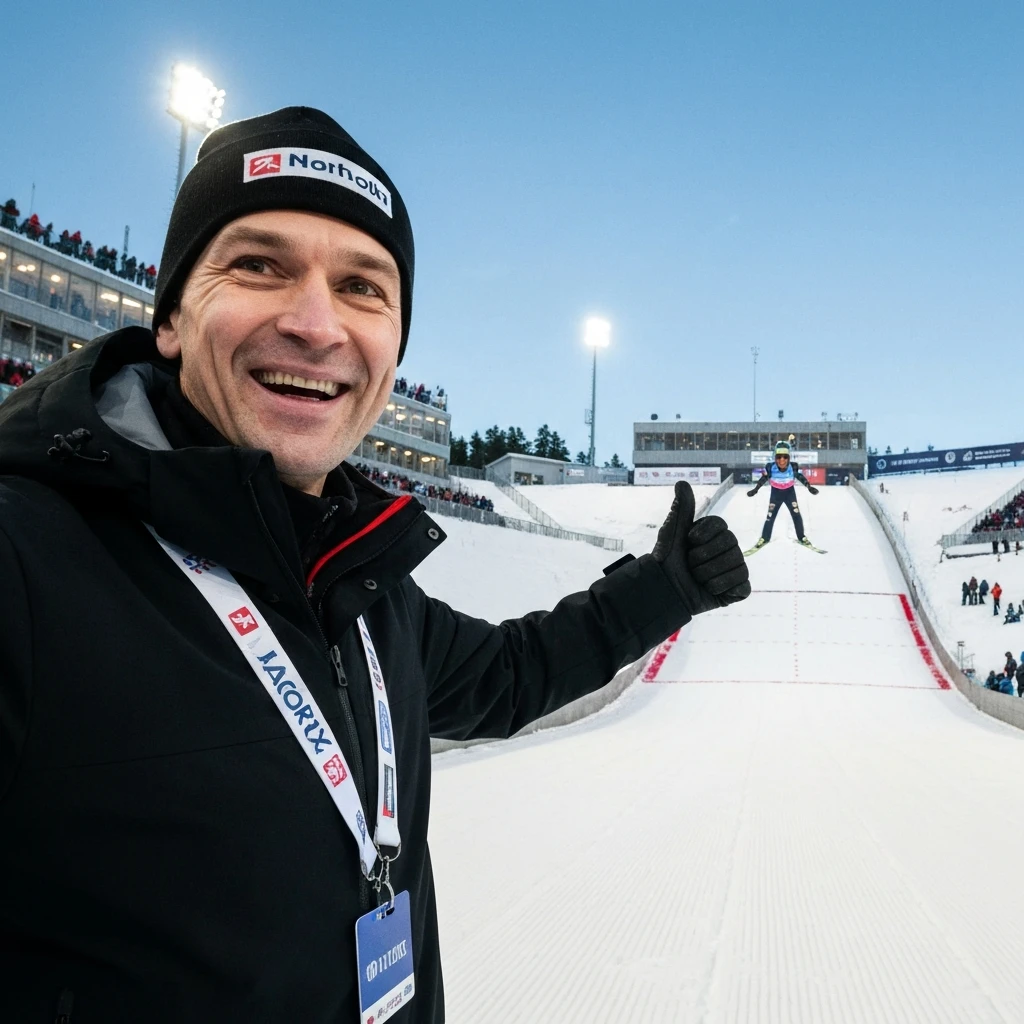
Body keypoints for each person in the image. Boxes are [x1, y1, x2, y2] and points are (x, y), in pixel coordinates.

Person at [0, 106, 750, 1022]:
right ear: (169, 318)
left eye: (363, 287)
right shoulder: (26, 561)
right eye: (260, 265)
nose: (316, 325)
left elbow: (508, 677)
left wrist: (665, 588)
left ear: (394, 349)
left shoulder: (362, 588)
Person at [745, 440, 820, 550]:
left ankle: (801, 537)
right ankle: (765, 538)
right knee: (770, 516)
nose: (782, 460)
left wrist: (808, 486)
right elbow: (764, 478)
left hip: (789, 493)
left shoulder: (793, 466)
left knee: (796, 514)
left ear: (789, 458)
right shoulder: (770, 467)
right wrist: (756, 489)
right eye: (779, 457)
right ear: (775, 457)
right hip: (776, 494)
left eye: (785, 457)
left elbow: (799, 476)